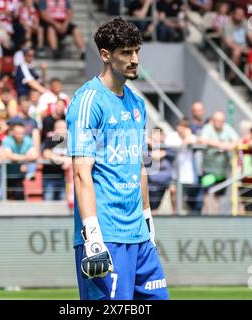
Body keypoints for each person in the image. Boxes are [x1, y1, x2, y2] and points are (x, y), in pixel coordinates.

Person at [66, 18, 169, 300]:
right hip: (106, 235)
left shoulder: (137, 103)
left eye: (136, 51)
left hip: (138, 234)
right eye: (126, 52)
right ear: (106, 55)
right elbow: (80, 173)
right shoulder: (88, 101)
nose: (134, 59)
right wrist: (92, 234)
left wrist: (148, 220)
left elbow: (138, 166)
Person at [200, 111, 238, 215]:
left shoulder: (227, 128)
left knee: (217, 195)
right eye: (217, 120)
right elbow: (203, 140)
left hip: (221, 170)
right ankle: (209, 215)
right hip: (208, 169)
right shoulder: (208, 128)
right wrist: (220, 145)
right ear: (213, 120)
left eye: (221, 121)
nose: (219, 123)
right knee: (208, 193)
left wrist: (230, 146)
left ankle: (214, 216)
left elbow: (236, 140)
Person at [2, 122, 39, 200]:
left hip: (19, 175)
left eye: (22, 133)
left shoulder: (27, 140)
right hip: (6, 174)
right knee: (4, 199)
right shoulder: (7, 140)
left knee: (19, 198)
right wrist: (25, 158)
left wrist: (20, 159)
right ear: (12, 132)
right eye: (18, 133)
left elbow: (35, 154)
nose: (20, 135)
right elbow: (8, 155)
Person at [42, 119, 71, 201]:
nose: (62, 130)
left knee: (63, 204)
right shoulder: (50, 140)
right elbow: (46, 153)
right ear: (54, 130)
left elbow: (76, 156)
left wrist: (68, 160)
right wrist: (64, 159)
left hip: (64, 178)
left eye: (64, 128)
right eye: (59, 128)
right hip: (50, 177)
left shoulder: (71, 141)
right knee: (48, 201)